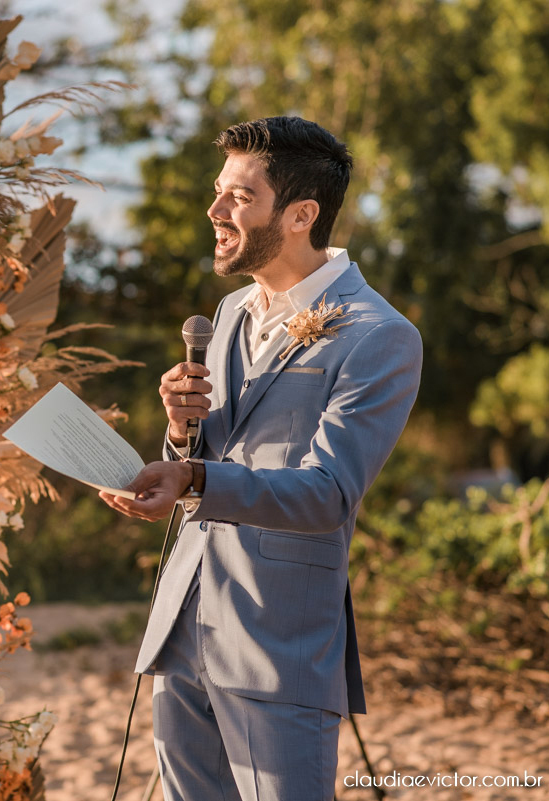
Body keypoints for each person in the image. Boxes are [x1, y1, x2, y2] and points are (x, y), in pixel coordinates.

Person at [100, 117, 422, 801]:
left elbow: (328, 493)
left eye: (240, 197)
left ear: (302, 214)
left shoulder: (379, 336)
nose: (214, 211)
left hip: (277, 642)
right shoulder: (228, 314)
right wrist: (180, 437)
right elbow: (212, 456)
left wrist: (194, 475)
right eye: (219, 192)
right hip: (182, 631)